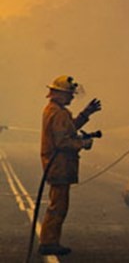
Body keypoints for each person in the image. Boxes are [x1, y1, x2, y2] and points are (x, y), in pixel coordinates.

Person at [39, 75, 101, 256]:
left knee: (58, 204)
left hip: (58, 164)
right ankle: (48, 242)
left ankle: (50, 241)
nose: (72, 97)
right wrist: (83, 144)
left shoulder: (55, 110)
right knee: (58, 206)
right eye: (69, 94)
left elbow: (69, 129)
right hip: (59, 165)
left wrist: (85, 114)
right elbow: (62, 142)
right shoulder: (58, 113)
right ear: (58, 94)